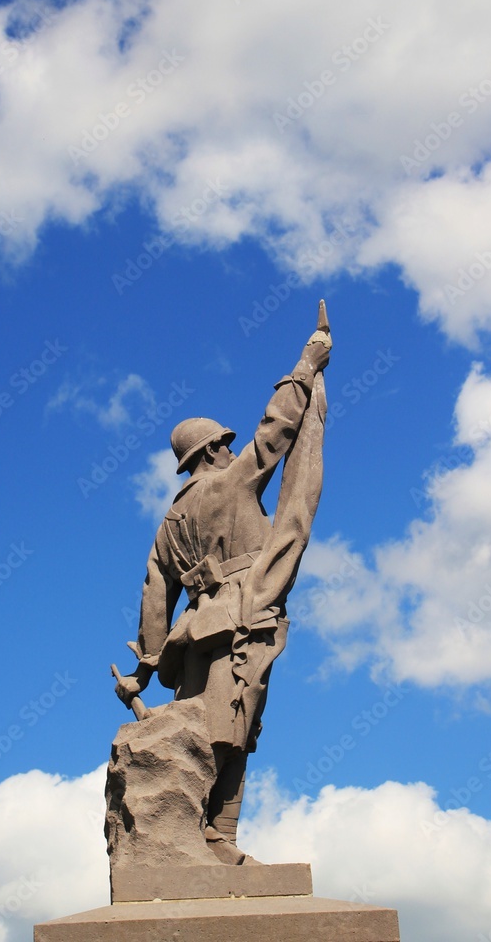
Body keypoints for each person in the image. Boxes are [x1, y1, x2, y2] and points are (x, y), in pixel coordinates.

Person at [115, 308, 331, 863]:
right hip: (243, 613)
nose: (233, 451)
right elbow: (274, 433)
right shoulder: (229, 483)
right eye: (225, 445)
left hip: (193, 635)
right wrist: (306, 365)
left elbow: (154, 594)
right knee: (236, 723)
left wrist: (145, 670)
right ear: (211, 451)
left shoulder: (168, 524)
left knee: (212, 726)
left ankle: (204, 835)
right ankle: (217, 837)